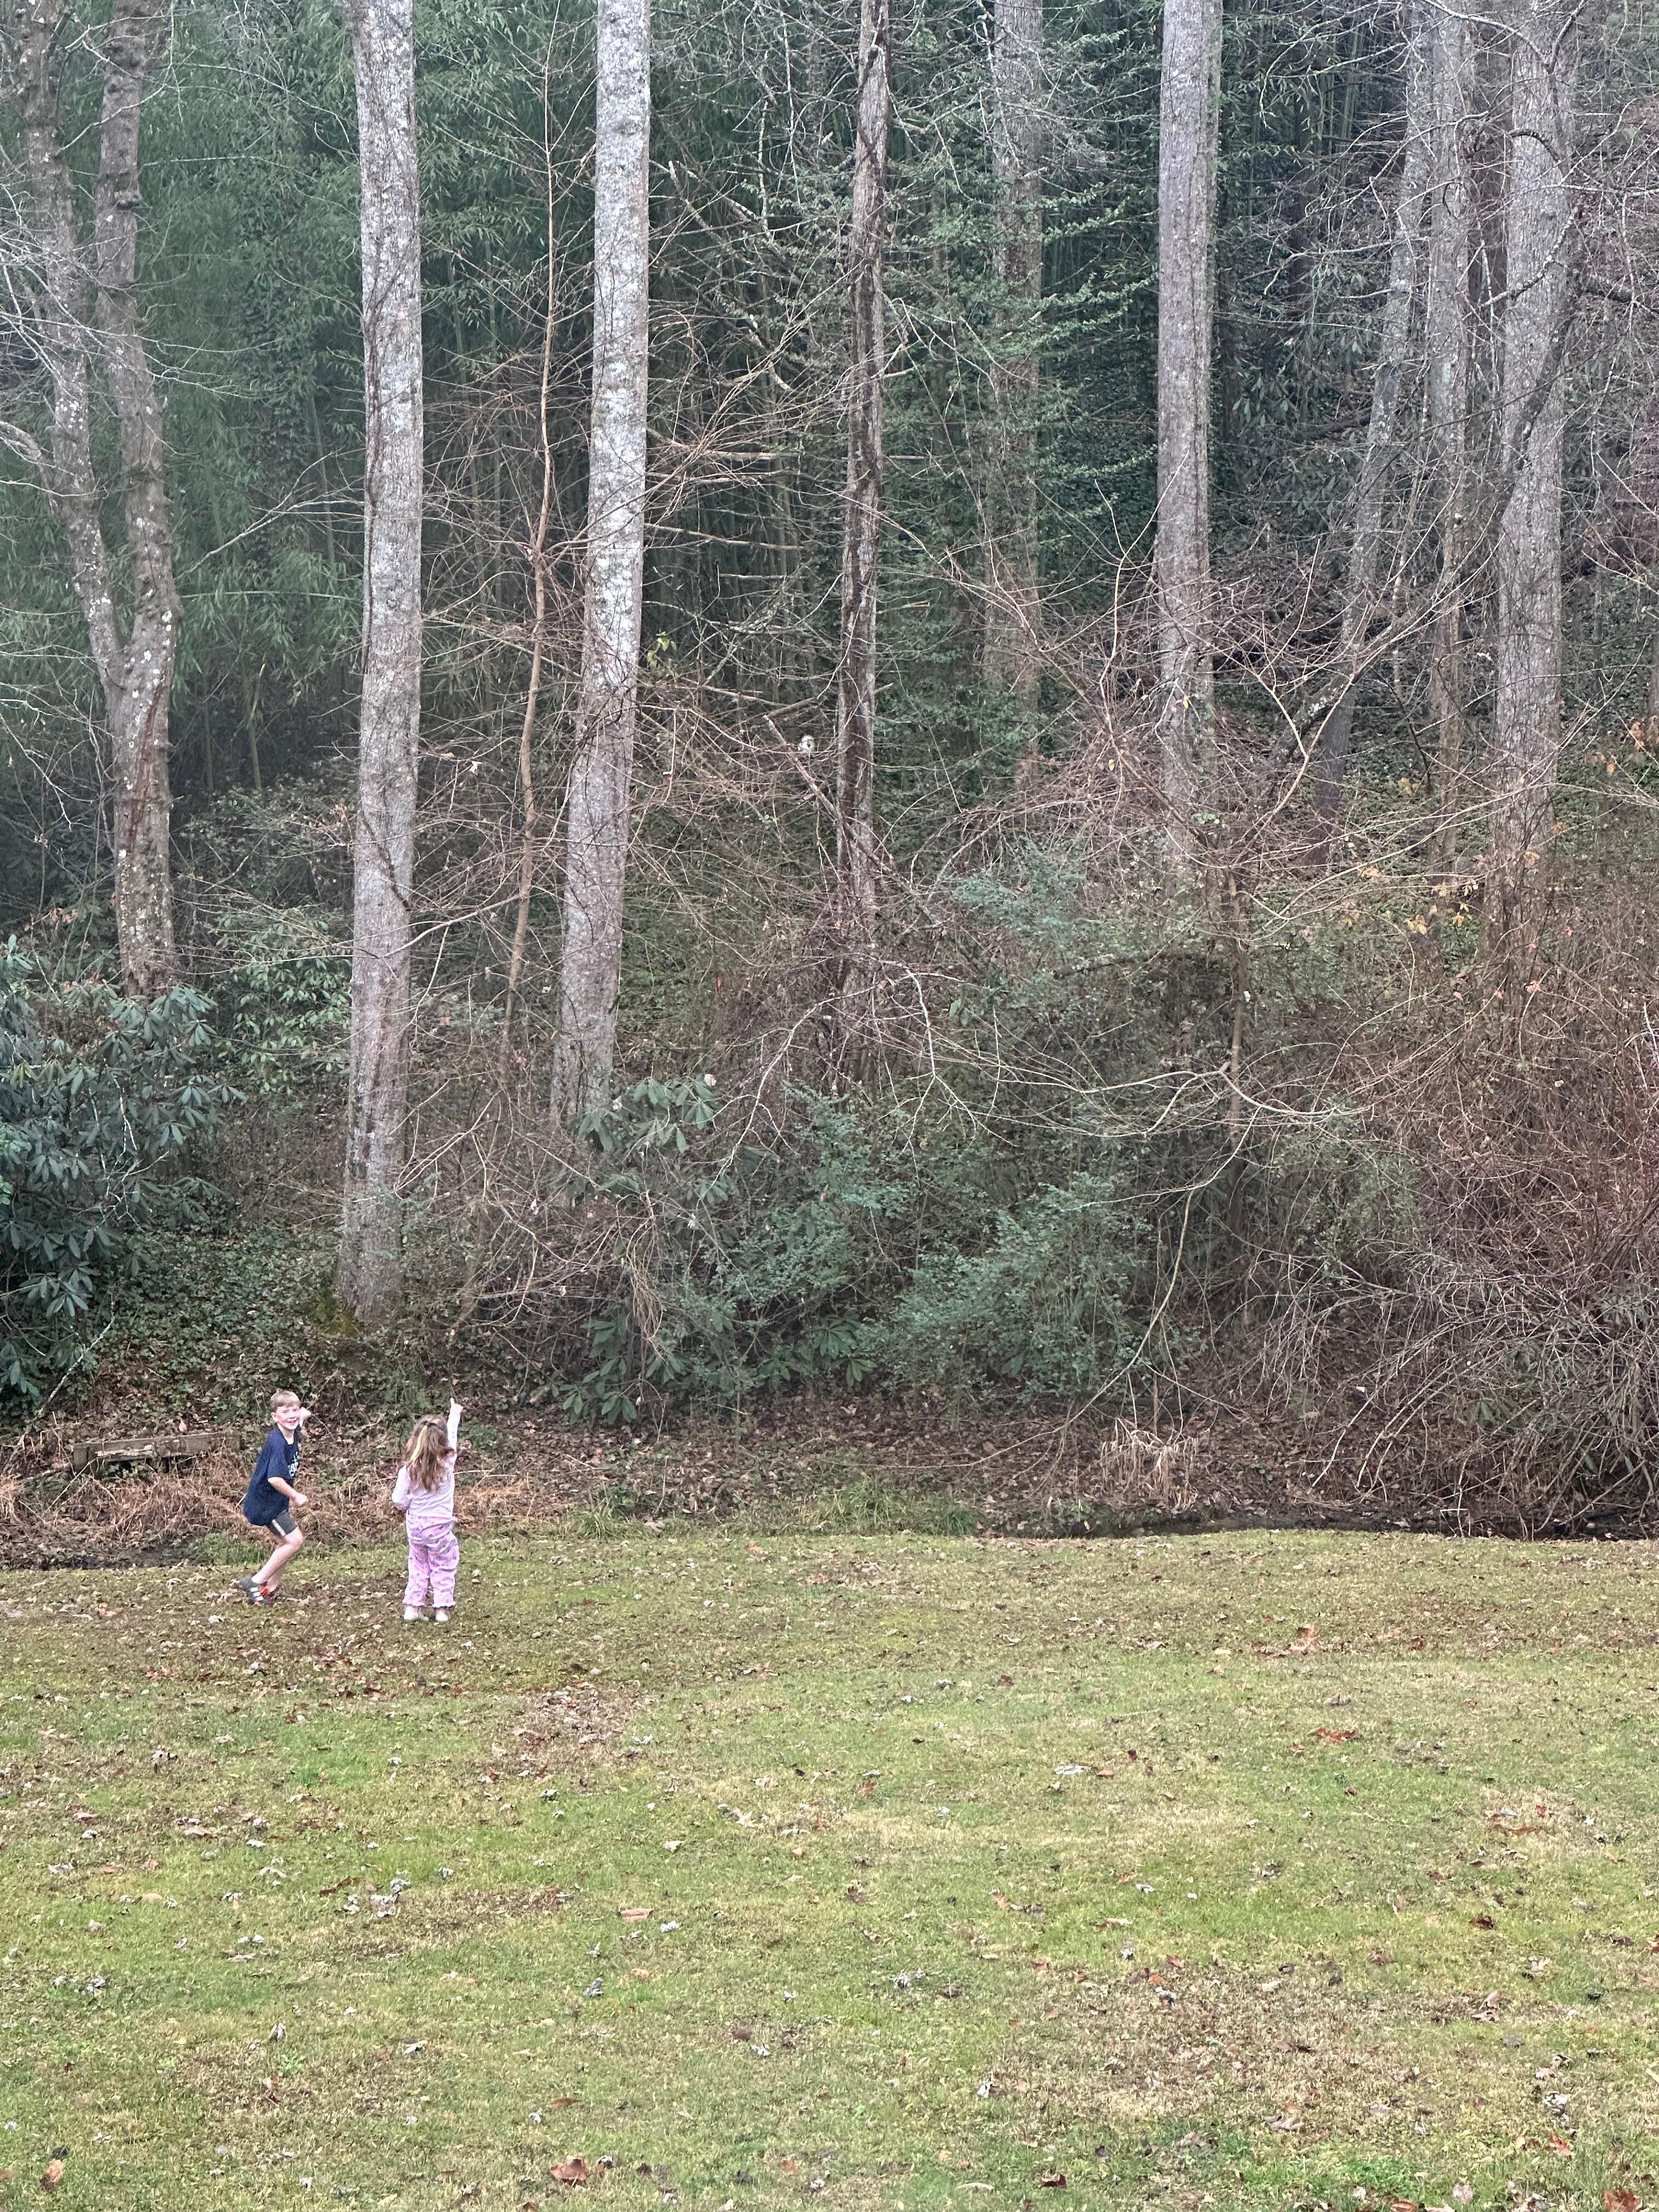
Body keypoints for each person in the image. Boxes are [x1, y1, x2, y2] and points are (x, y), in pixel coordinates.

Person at [391, 1397, 462, 1623]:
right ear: (443, 1444)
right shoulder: (448, 1464)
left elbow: (398, 1501)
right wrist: (455, 1415)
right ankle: (442, 1610)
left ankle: (412, 1609)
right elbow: (453, 1438)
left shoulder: (408, 1471)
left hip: (416, 1528)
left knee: (418, 1565)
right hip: (440, 1527)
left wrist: (410, 1503)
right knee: (444, 1565)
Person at [237, 1390, 311, 1605]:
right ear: (274, 1417)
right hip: (266, 1503)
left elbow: (300, 1418)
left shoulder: (293, 1430)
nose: (291, 1415)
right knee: (295, 1541)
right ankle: (255, 1581)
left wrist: (301, 1415)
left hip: (276, 1502)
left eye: (294, 1410)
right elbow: (275, 1479)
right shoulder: (277, 1442)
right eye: (285, 1412)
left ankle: (271, 1588)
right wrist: (296, 1496)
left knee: (286, 1542)